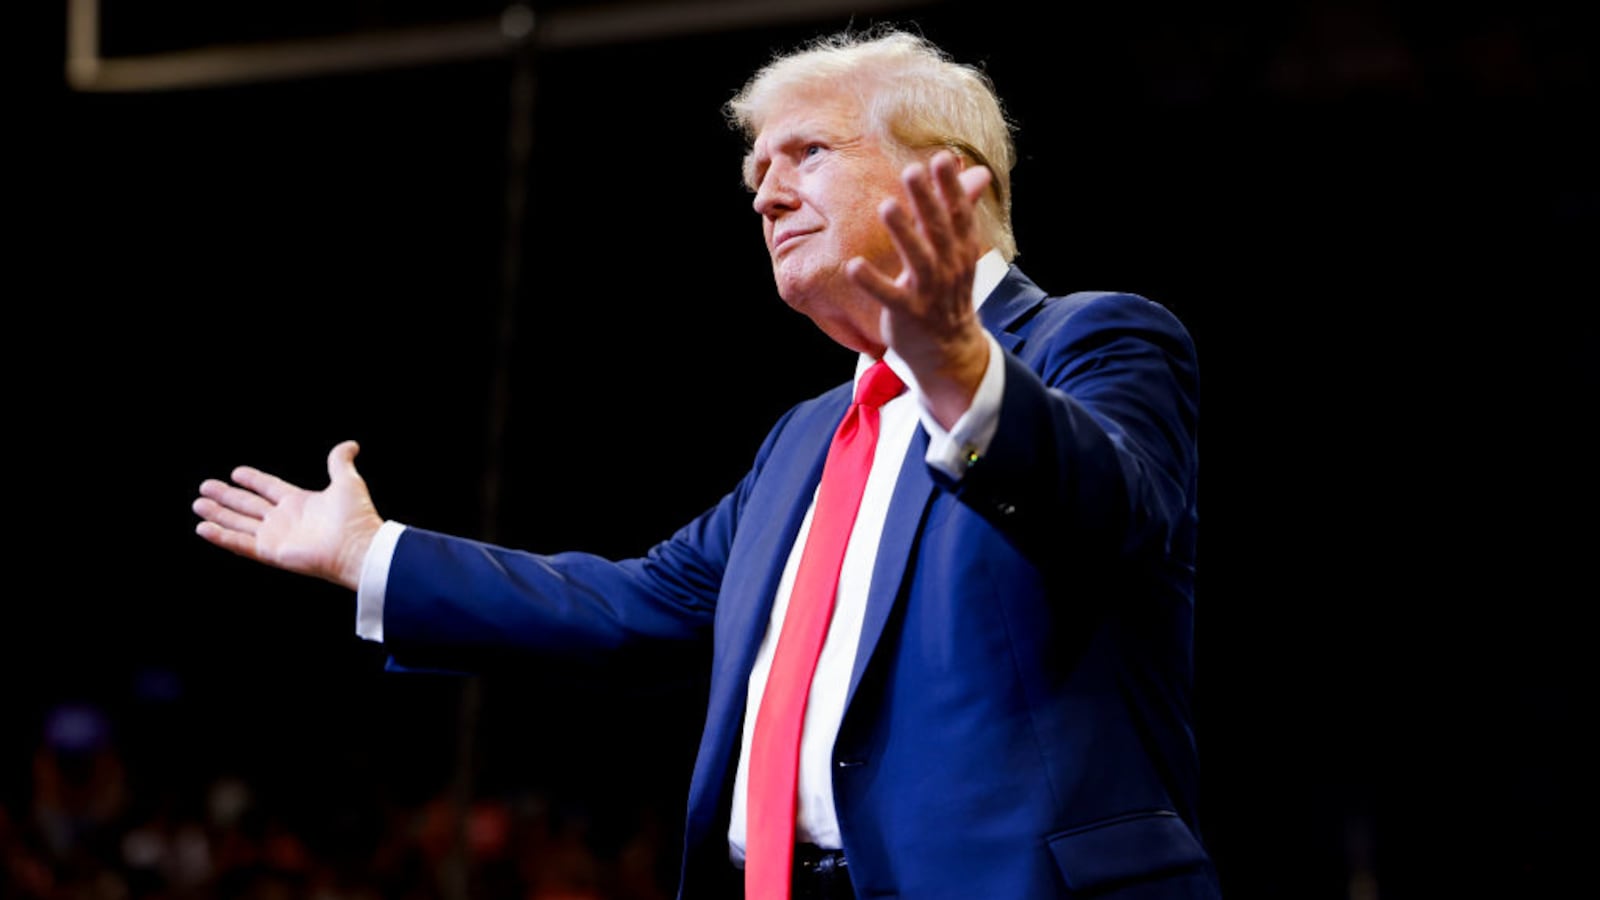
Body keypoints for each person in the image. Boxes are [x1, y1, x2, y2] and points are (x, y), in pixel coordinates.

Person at [193, 26, 1217, 900]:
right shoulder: (807, 439)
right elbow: (632, 610)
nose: (766, 197)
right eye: (755, 174)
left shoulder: (1096, 341)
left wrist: (959, 371)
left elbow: (1110, 511)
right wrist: (373, 557)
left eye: (805, 153)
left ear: (946, 180)